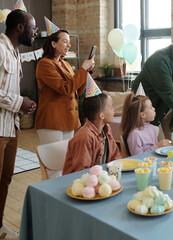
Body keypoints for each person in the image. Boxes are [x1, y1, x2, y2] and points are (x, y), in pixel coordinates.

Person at [35, 21, 95, 177]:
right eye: (65, 41)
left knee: (67, 163)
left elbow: (76, 90)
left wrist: (86, 73)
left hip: (68, 119)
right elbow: (65, 88)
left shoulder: (65, 64)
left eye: (69, 42)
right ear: (53, 43)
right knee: (54, 167)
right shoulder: (44, 64)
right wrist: (82, 69)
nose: (69, 45)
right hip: (52, 120)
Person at [0, 9, 37, 238]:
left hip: (10, 127)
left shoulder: (14, 52)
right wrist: (18, 101)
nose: (35, 32)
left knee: (5, 180)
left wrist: (24, 105)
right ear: (20, 27)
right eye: (32, 28)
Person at [63, 90, 121, 175]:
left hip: (102, 178)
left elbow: (115, 156)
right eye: (111, 107)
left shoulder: (106, 128)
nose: (113, 110)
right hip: (81, 183)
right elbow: (81, 172)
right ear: (101, 115)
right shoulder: (85, 136)